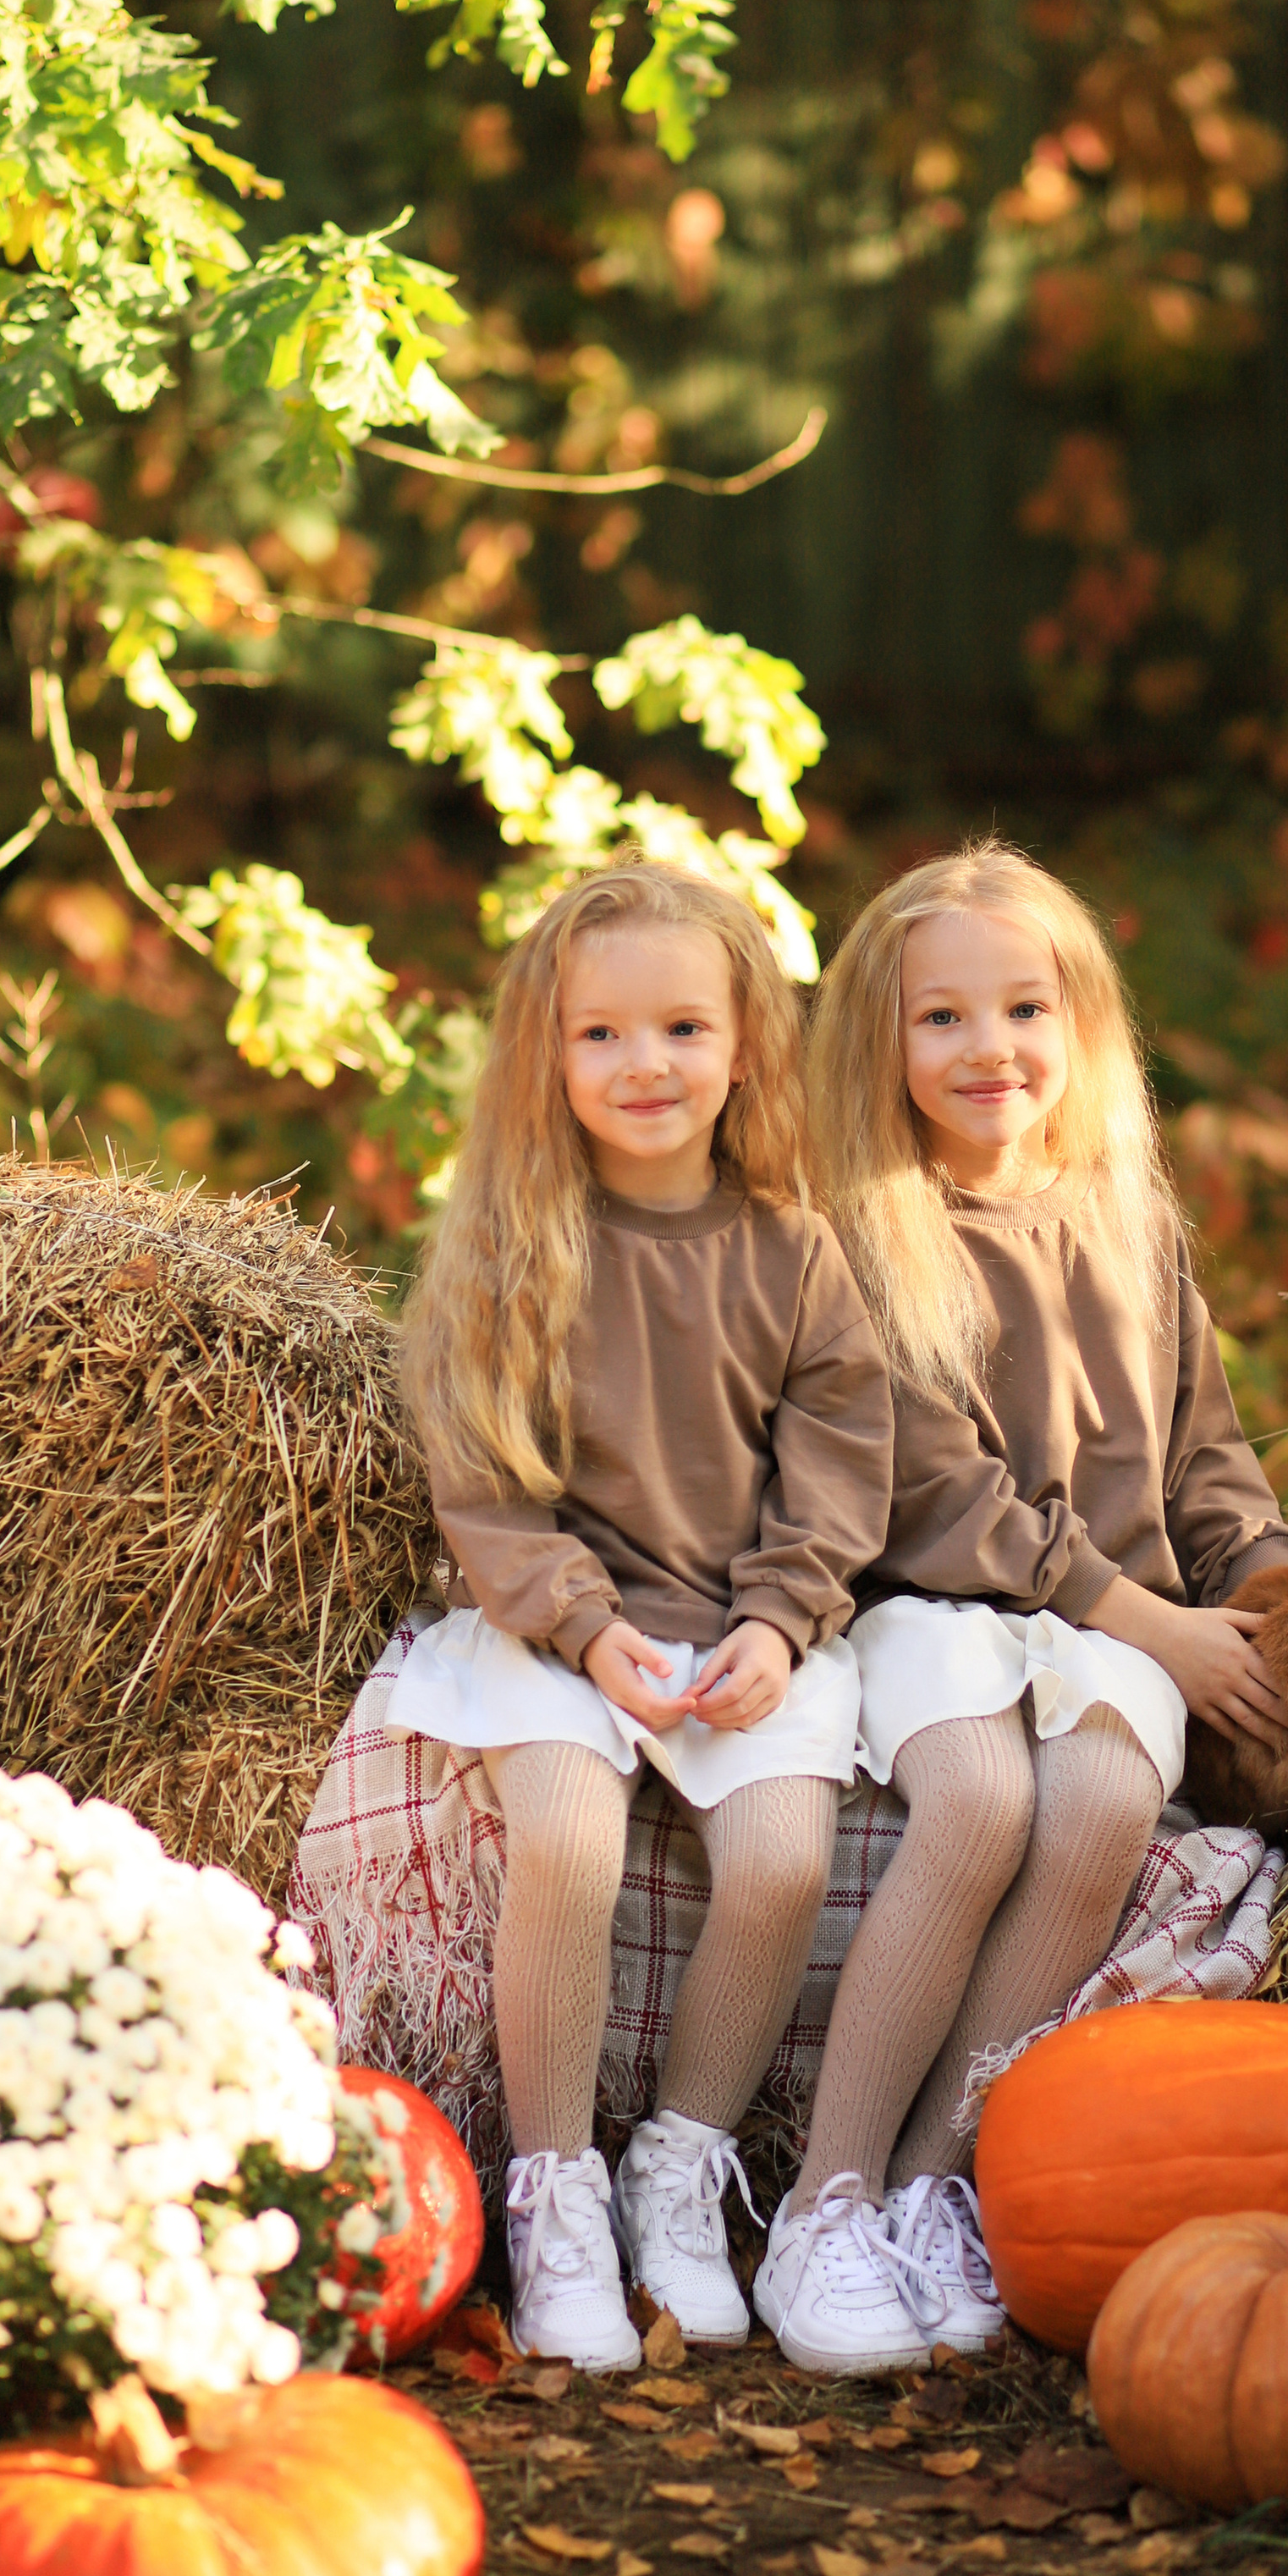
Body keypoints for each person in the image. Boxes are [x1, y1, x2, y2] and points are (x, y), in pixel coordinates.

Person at [752, 842, 1288, 2376]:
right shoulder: (859, 1232)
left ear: (1083, 1028)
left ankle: (934, 2180)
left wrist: (1275, 1596)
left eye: (1024, 1007)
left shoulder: (1127, 1220)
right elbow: (929, 1494)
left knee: (1111, 1795)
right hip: (939, 1601)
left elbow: (1208, 1455)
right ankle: (826, 2199)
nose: (989, 1048)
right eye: (943, 1019)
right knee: (984, 1795)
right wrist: (1156, 1624)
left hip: (1118, 1626)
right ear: (883, 1041)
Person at [392, 862, 894, 2373]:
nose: (645, 1066)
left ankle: (681, 2164)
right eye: (601, 1036)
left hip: (744, 1625)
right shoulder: (509, 1243)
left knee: (787, 1857)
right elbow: (481, 1481)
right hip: (559, 1626)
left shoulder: (793, 1251)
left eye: (682, 1027)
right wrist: (581, 1623)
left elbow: (838, 1459)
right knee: (562, 1835)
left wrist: (786, 1621)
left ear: (746, 1045)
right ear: (548, 1054)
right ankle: (555, 2195)